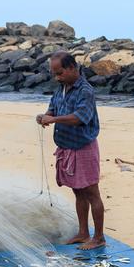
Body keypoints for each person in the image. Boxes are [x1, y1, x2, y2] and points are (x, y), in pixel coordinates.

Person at [37, 51, 106, 249]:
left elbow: (79, 118)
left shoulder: (85, 90)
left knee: (92, 193)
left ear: (72, 68)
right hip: (67, 146)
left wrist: (54, 119)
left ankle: (99, 237)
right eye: (54, 74)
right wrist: (44, 116)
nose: (56, 77)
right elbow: (53, 108)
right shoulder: (61, 88)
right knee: (78, 192)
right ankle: (83, 233)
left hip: (83, 147)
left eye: (59, 73)